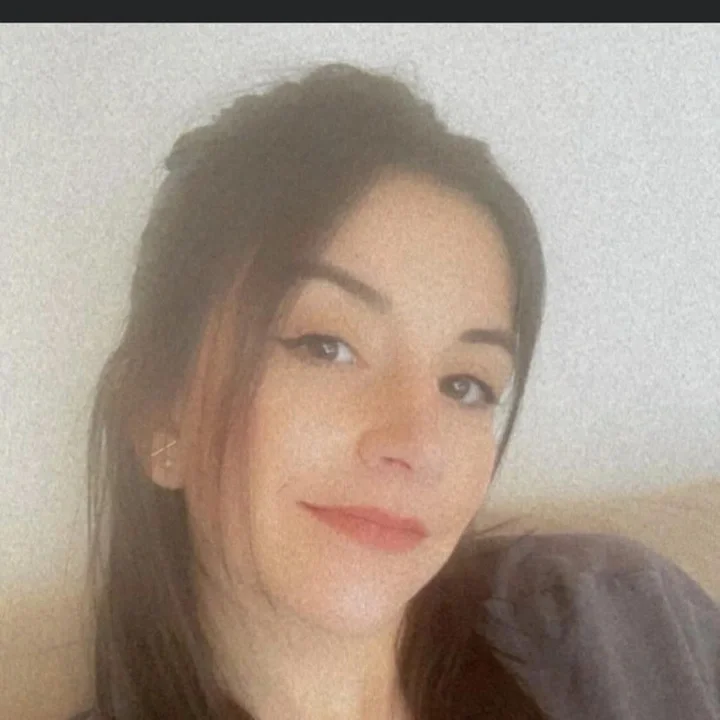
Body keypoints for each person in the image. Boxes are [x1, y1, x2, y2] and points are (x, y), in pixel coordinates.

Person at [72, 63, 720, 720]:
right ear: (160, 415)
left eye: (465, 385)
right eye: (326, 345)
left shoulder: (624, 626)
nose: (417, 443)